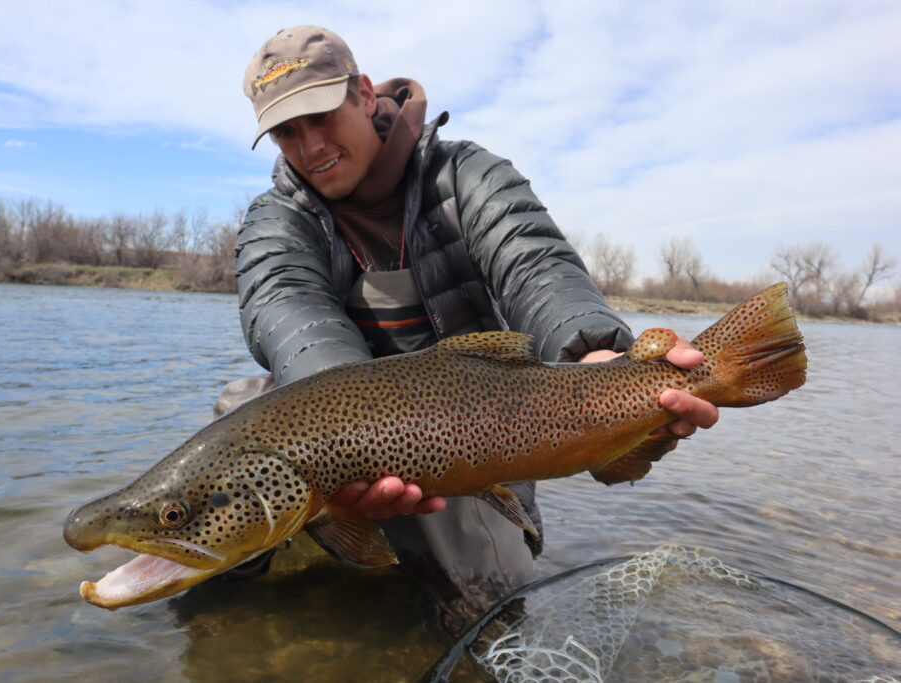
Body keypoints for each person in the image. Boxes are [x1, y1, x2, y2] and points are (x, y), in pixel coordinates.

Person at [227, 25, 718, 631]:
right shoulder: (277, 219)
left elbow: (535, 263)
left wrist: (597, 358)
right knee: (233, 425)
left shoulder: (465, 176)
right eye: (285, 131)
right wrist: (346, 449)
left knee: (490, 615)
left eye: (320, 115)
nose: (309, 146)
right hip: (340, 447)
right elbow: (285, 306)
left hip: (479, 438)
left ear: (362, 93)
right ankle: (249, 588)